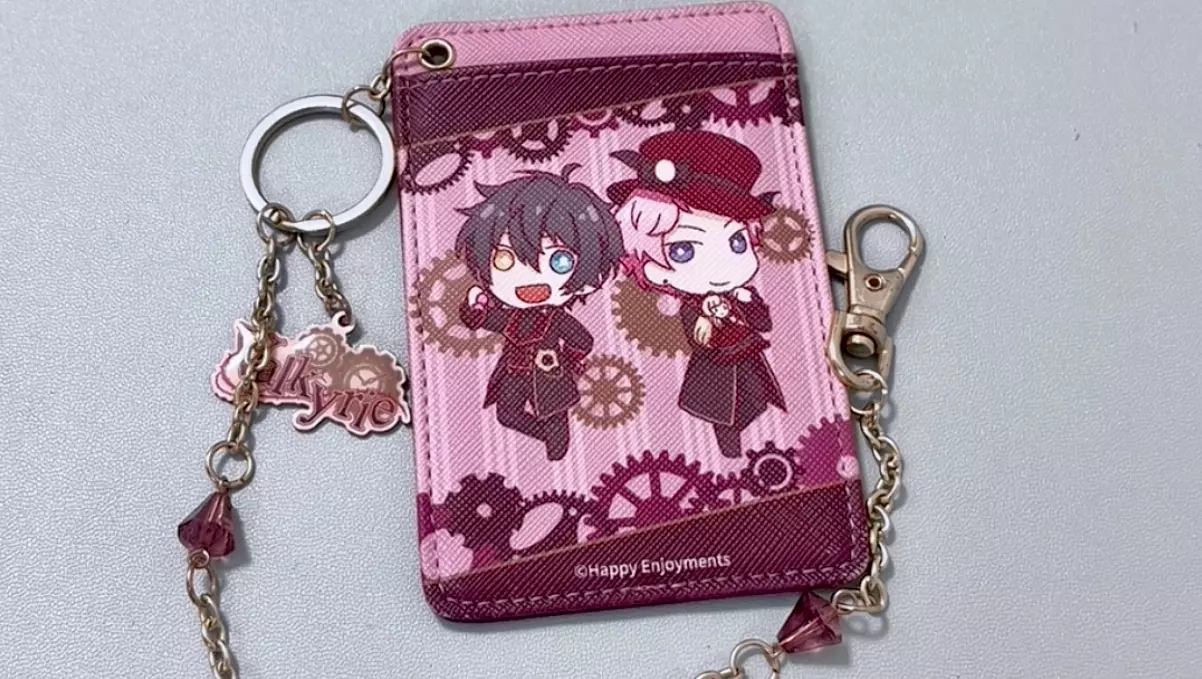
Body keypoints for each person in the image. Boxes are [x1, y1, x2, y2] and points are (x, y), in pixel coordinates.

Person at [608, 130, 786, 458]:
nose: (721, 267)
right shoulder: (693, 307)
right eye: (684, 250)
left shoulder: (739, 294)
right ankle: (731, 455)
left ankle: (746, 452)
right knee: (725, 418)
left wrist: (747, 301)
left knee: (755, 405)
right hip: (716, 372)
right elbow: (700, 340)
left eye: (737, 243)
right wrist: (709, 318)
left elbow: (764, 324)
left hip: (747, 363)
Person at [455, 164, 625, 460]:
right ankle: (549, 439)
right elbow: (484, 320)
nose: (531, 279)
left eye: (560, 261)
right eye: (505, 259)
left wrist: (567, 361)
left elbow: (583, 340)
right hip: (514, 375)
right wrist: (474, 307)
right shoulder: (512, 317)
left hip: (550, 377)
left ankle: (557, 450)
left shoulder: (556, 319)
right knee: (507, 415)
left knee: (555, 420)